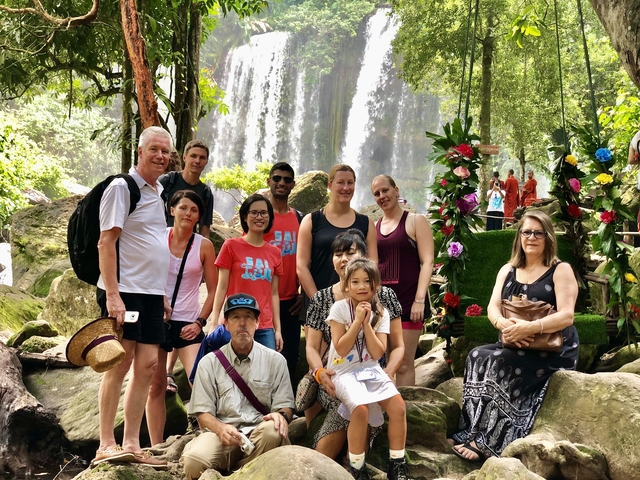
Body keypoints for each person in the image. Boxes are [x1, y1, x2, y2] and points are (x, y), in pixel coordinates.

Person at [451, 210, 579, 462]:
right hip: (515, 339)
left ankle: (489, 440)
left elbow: (567, 316)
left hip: (553, 347)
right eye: (526, 232)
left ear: (548, 237)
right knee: (476, 355)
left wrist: (529, 329)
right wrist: (503, 325)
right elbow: (493, 307)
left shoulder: (560, 270)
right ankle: (470, 429)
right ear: (519, 236)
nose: (531, 237)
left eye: (538, 233)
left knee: (500, 362)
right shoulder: (508, 269)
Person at [92, 126, 172, 468]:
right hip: (124, 291)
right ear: (140, 151)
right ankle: (106, 444)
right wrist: (113, 296)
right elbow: (105, 243)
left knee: (149, 366)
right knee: (120, 362)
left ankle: (132, 444)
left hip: (151, 294)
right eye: (153, 149)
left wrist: (163, 294)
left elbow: (152, 245)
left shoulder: (158, 192)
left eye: (165, 151)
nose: (160, 156)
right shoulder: (122, 188)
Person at [304, 230, 404, 461]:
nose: (344, 259)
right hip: (335, 375)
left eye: (351, 252)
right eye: (338, 254)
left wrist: (389, 372)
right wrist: (319, 373)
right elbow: (311, 346)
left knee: (364, 408)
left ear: (365, 257)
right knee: (353, 410)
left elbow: (397, 346)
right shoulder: (322, 299)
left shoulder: (384, 297)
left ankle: (357, 467)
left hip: (373, 373)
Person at [181, 293, 294, 478]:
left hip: (259, 432)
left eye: (248, 317)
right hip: (222, 433)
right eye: (236, 317)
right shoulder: (208, 362)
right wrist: (220, 429)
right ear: (225, 324)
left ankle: (239, 475)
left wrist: (281, 415)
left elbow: (286, 406)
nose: (242, 323)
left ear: (257, 323)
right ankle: (246, 472)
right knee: (193, 462)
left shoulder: (275, 360)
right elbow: (202, 413)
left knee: (273, 431)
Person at [145, 190, 218, 446]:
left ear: (199, 216)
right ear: (172, 210)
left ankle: (210, 439)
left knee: (199, 380)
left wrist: (200, 321)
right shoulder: (157, 238)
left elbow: (214, 291)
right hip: (156, 320)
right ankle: (157, 448)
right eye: (183, 208)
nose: (188, 213)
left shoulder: (204, 246)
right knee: (155, 387)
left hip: (188, 322)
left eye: (194, 210)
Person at [327, 257, 408, 480]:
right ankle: (357, 467)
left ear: (376, 285)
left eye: (367, 281)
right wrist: (356, 321)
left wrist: (367, 323)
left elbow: (378, 353)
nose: (361, 286)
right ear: (346, 286)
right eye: (355, 282)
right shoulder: (338, 309)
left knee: (398, 407)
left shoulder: (382, 312)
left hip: (370, 367)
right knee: (360, 409)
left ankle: (397, 464)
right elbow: (341, 349)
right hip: (342, 370)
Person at [371, 175, 434, 387]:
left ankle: (408, 413)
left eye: (385, 190)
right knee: (384, 362)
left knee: (405, 363)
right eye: (377, 194)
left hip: (409, 303)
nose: (382, 196)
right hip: (381, 306)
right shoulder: (374, 227)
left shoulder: (416, 221)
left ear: (396, 190)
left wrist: (420, 300)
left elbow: (427, 262)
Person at [210, 194, 284, 351]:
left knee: (265, 373)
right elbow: (221, 287)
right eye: (254, 212)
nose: (259, 217)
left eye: (264, 213)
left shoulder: (275, 252)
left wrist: (277, 330)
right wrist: (214, 322)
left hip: (264, 326)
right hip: (236, 322)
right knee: (232, 372)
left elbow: (274, 294)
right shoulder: (230, 246)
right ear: (245, 216)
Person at [297, 164, 377, 301]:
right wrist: (319, 302)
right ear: (330, 185)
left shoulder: (366, 223)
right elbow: (301, 266)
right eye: (340, 182)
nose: (346, 188)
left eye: (350, 183)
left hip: (356, 303)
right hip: (317, 300)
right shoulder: (311, 221)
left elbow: (373, 263)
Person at [263, 162, 303, 382]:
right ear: (268, 181)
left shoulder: (300, 218)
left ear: (293, 185)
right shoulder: (260, 214)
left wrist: (304, 293)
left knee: (290, 356)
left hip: (291, 301)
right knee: (264, 353)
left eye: (287, 180)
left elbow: (306, 260)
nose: (281, 183)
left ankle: (284, 405)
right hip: (264, 299)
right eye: (277, 178)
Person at [159, 140, 214, 239]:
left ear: (206, 161)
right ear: (184, 157)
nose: (197, 161)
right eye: (193, 156)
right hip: (160, 240)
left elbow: (204, 231)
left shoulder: (206, 193)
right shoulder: (168, 181)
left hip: (187, 246)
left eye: (202, 157)